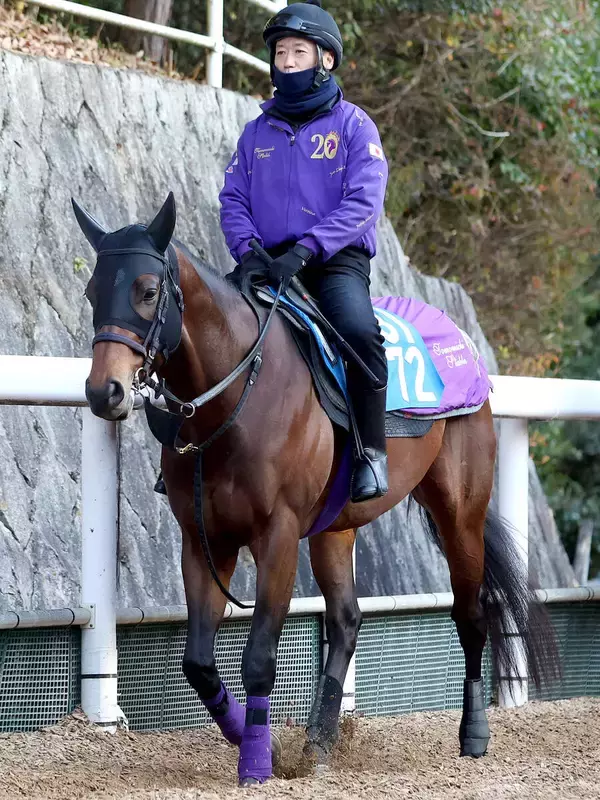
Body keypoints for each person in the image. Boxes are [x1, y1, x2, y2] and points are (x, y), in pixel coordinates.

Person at [219, 0, 389, 503]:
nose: (287, 62)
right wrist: (248, 252)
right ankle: (190, 451)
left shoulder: (356, 127)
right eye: (280, 53)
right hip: (264, 262)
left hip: (334, 262)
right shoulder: (256, 133)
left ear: (325, 60)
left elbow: (364, 202)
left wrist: (308, 251)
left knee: (359, 333)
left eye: (299, 51)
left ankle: (370, 453)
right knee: (199, 326)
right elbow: (233, 199)